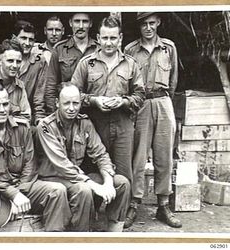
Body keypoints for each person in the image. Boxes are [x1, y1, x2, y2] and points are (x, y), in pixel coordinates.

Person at [0, 82, 71, 231]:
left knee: (57, 191)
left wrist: (19, 193)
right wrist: (12, 195)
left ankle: (53, 240)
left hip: (24, 187)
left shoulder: (22, 128)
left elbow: (30, 165)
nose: (2, 110)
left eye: (5, 104)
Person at [37, 83, 131, 232]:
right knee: (84, 189)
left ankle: (114, 236)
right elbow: (62, 166)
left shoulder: (84, 123)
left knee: (121, 183)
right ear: (57, 103)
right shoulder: (45, 127)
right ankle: (81, 237)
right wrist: (93, 185)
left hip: (77, 178)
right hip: (53, 179)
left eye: (76, 103)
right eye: (66, 103)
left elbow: (100, 154)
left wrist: (107, 182)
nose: (72, 108)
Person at [124, 12, 181, 228]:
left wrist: (164, 101)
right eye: (144, 24)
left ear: (158, 23)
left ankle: (163, 205)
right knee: (138, 156)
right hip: (140, 105)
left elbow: (173, 80)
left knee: (164, 155)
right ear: (139, 26)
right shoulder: (130, 50)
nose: (148, 28)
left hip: (163, 102)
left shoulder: (169, 47)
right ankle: (134, 203)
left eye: (152, 23)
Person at [71, 16, 145, 183]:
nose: (109, 42)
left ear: (120, 38)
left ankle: (120, 209)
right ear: (98, 38)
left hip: (123, 125)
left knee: (123, 175)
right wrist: (94, 101)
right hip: (94, 125)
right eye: (105, 38)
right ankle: (93, 208)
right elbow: (73, 95)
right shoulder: (86, 64)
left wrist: (123, 102)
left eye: (113, 38)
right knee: (93, 172)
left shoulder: (131, 64)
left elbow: (140, 95)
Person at [0, 21, 47, 125]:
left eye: (31, 40)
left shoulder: (39, 62)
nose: (27, 43)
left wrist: (39, 119)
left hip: (23, 116)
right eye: (23, 38)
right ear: (14, 38)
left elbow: (39, 96)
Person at [45, 12, 99, 115]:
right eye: (77, 21)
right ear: (70, 23)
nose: (81, 26)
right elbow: (50, 87)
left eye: (85, 22)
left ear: (91, 23)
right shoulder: (59, 49)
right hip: (67, 110)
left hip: (94, 113)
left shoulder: (99, 49)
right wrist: (56, 114)